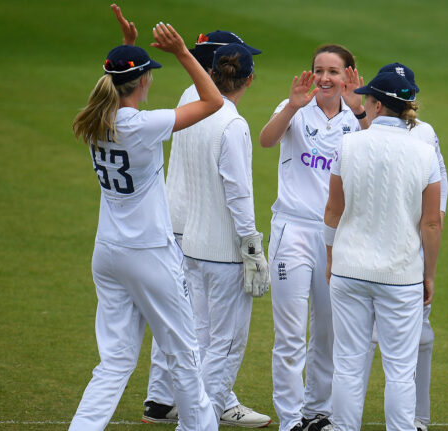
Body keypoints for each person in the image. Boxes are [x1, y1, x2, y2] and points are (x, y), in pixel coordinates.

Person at [69, 8, 223, 430]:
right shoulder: (141, 125)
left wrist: (127, 47)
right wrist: (182, 53)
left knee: (115, 361)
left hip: (108, 252)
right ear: (142, 82)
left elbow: (113, 81)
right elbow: (213, 101)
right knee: (183, 354)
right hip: (150, 253)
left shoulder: (97, 119)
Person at [142, 28, 271, 428]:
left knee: (197, 338)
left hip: (194, 244)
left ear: (212, 71)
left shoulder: (194, 105)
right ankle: (197, 422)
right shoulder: (233, 124)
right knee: (225, 347)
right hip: (224, 253)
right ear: (249, 79)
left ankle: (188, 413)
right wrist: (252, 248)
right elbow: (238, 193)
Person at [323, 71, 442, 431]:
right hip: (402, 276)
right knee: (401, 370)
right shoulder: (425, 153)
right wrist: (429, 275)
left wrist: (330, 258)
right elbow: (432, 223)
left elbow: (333, 211)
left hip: (349, 270)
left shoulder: (348, 145)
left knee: (348, 364)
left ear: (376, 105)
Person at [259, 44, 366, 431]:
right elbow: (266, 140)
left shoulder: (357, 117)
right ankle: (290, 419)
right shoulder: (296, 109)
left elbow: (379, 151)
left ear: (349, 76)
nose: (324, 78)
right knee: (290, 333)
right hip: (293, 231)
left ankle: (316, 411)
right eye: (319, 70)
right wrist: (291, 106)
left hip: (336, 237)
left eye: (333, 71)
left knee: (328, 331)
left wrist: (360, 110)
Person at [359, 62, 448, 431]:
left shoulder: (424, 134)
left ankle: (416, 417)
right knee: (373, 342)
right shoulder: (366, 128)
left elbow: (438, 191)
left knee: (409, 339)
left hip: (399, 249)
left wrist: (431, 223)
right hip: (388, 251)